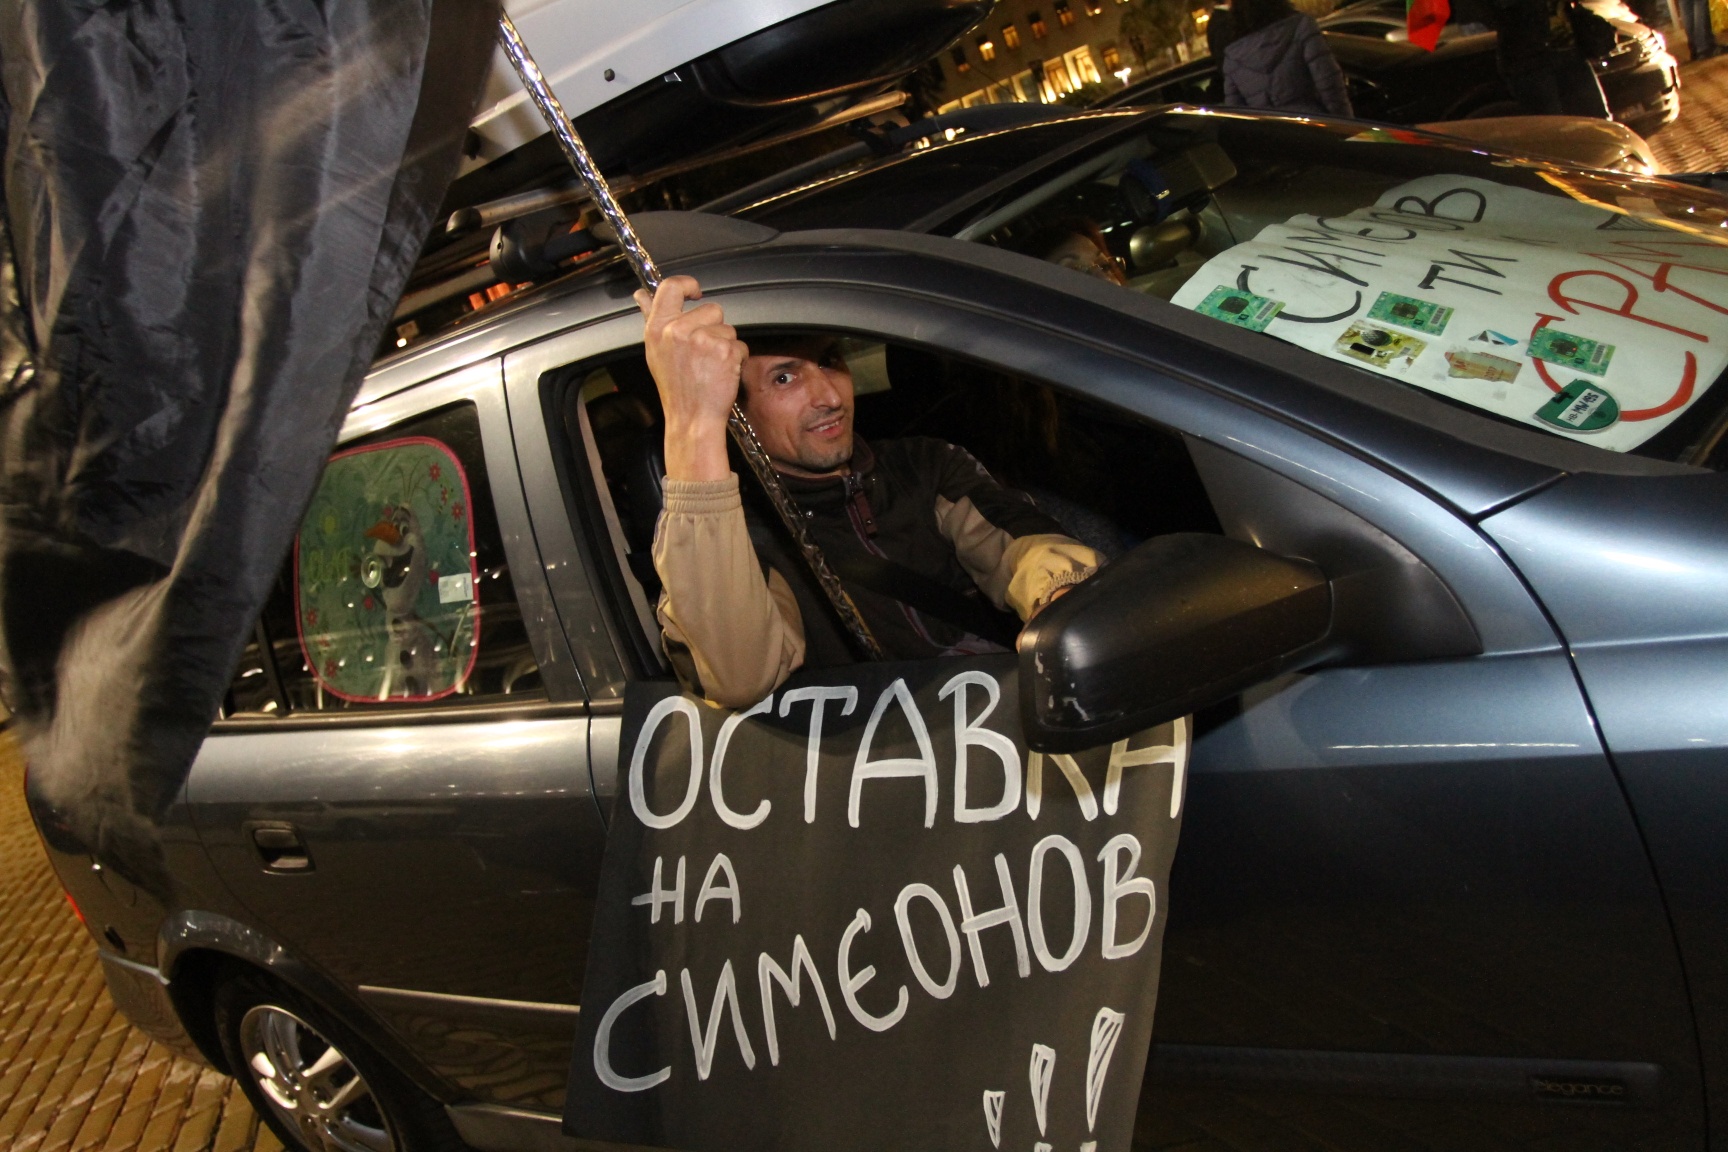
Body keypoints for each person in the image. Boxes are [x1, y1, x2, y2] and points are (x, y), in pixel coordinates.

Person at [637, 276, 1104, 708]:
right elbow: (738, 676)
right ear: (738, 415)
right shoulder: (743, 542)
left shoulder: (922, 465)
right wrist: (695, 423)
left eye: (829, 361)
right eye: (784, 377)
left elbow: (1019, 540)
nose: (830, 397)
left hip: (995, 718)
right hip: (881, 751)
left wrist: (1060, 595)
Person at [1220, 0, 1353, 117]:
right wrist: (1346, 127)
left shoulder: (1233, 57)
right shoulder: (1302, 27)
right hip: (1312, 127)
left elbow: (1237, 114)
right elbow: (1329, 84)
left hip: (1272, 135)